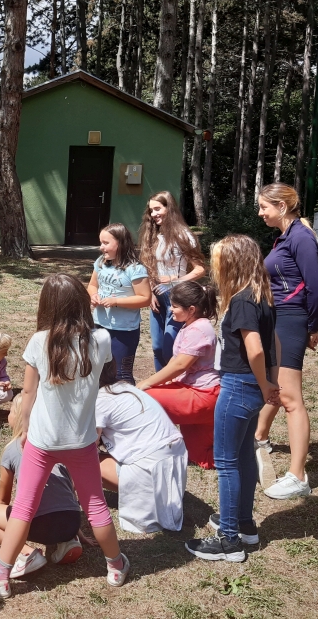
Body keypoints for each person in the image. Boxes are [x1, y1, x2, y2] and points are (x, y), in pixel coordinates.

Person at [0, 273, 129, 599]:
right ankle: (115, 565)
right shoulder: (101, 339)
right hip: (82, 441)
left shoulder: (38, 341)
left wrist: (26, 428)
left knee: (23, 508)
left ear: (47, 305)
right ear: (82, 303)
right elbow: (102, 377)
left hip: (41, 441)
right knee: (95, 505)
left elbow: (28, 393)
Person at [185, 235, 280, 563]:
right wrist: (271, 382)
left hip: (239, 386)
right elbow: (275, 344)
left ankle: (228, 540)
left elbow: (256, 349)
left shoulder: (241, 300)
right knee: (243, 456)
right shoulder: (263, 295)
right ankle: (244, 524)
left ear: (232, 263)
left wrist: (265, 384)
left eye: (218, 261)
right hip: (253, 388)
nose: (215, 267)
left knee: (226, 463)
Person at [255, 182, 318, 499]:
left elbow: (316, 288)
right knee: (276, 386)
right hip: (278, 319)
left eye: (264, 207)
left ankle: (298, 476)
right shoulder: (285, 237)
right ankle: (259, 438)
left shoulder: (301, 237)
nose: (260, 213)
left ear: (281, 206)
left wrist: (311, 327)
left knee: (291, 399)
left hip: (291, 320)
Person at [0, 393, 84, 577]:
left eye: (11, 411)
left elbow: (2, 499)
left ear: (20, 417)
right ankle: (68, 541)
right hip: (72, 519)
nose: (8, 415)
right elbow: (68, 488)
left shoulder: (12, 448)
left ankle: (26, 554)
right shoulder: (57, 444)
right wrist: (76, 527)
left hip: (41, 525)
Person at [96, 358, 188, 534]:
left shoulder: (100, 400)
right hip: (173, 464)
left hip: (150, 467)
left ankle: (70, 501)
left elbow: (87, 446)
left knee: (79, 462)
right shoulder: (126, 388)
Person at [138, 281, 221, 469]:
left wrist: (146, 383)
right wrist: (158, 383)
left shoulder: (199, 329)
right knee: (197, 456)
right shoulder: (190, 325)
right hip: (192, 389)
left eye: (175, 306)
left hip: (203, 395)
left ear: (191, 309)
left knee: (143, 398)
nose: (171, 310)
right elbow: (176, 363)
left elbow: (180, 365)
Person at [138, 191, 207, 371]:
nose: (154, 214)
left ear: (169, 208)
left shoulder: (183, 235)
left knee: (170, 348)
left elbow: (200, 269)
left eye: (158, 209)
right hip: (157, 297)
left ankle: (175, 382)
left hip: (178, 297)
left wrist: (174, 281)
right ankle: (159, 384)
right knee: (157, 347)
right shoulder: (153, 235)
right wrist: (151, 292)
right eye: (151, 210)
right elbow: (150, 268)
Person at [86, 223, 151, 383]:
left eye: (106, 243)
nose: (101, 247)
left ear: (120, 243)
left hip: (124, 330)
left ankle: (127, 398)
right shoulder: (101, 262)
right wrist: (94, 295)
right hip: (99, 324)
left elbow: (145, 298)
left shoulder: (135, 269)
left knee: (120, 373)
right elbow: (92, 285)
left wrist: (116, 301)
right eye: (101, 242)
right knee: (98, 370)